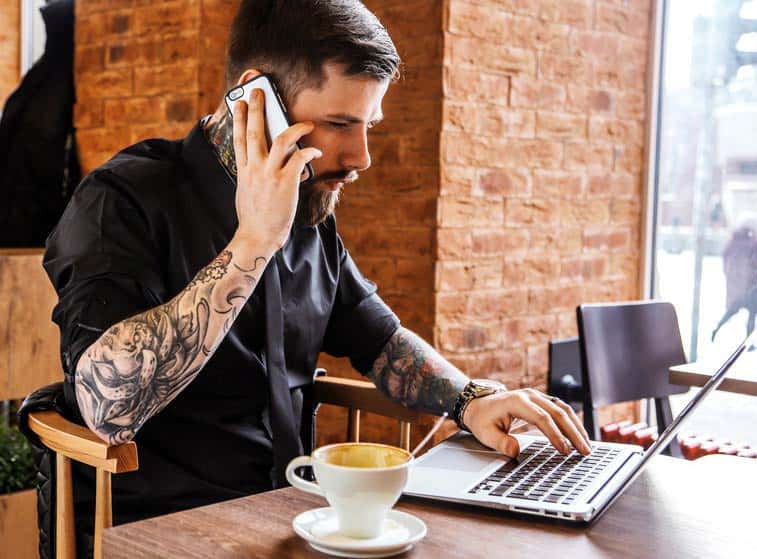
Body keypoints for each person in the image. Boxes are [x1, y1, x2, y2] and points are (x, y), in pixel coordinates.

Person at [43, 1, 590, 554]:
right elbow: (108, 407)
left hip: (291, 517)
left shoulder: (309, 206)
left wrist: (471, 399)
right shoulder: (121, 200)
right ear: (256, 99)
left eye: (367, 125)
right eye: (339, 124)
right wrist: (253, 242)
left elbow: (381, 342)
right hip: (150, 531)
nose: (362, 156)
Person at [712, 218, 757, 341]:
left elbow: (725, 259)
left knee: (731, 310)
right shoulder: (755, 244)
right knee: (752, 314)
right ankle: (748, 341)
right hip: (751, 285)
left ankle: (717, 328)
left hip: (736, 285)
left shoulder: (732, 241)